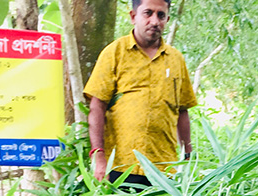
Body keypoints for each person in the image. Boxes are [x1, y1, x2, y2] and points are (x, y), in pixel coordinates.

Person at [83, 0, 197, 185]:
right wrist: (99, 155)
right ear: (133, 16)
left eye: (161, 15)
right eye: (148, 13)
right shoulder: (114, 53)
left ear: (167, 19)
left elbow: (182, 110)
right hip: (120, 166)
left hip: (164, 167)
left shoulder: (176, 59)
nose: (154, 21)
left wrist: (188, 157)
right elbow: (97, 105)